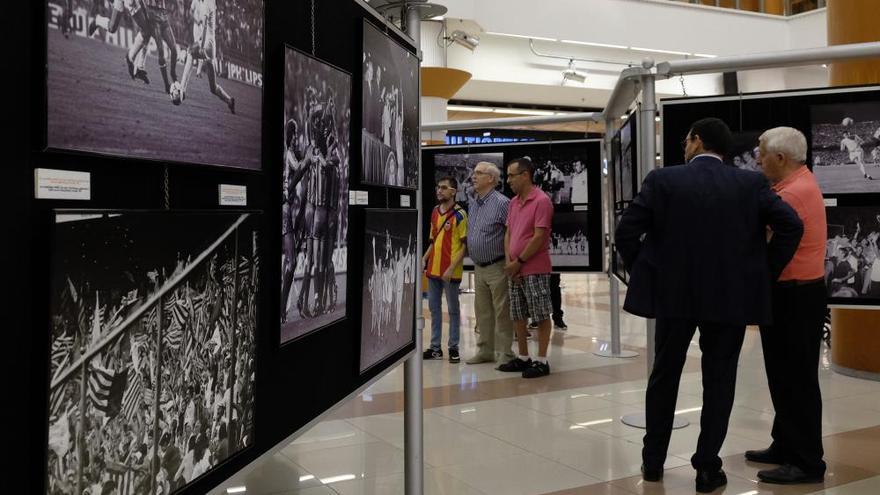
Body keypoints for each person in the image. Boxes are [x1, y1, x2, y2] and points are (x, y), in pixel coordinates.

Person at [615, 118, 803, 493]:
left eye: (686, 140)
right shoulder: (750, 183)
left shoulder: (663, 179)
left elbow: (626, 232)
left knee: (664, 375)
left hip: (674, 298)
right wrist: (763, 272)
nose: (684, 146)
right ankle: (706, 467)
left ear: (697, 141)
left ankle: (653, 462)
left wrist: (648, 271)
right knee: (719, 381)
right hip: (729, 299)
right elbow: (791, 226)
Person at [748, 127, 828, 484]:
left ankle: (807, 462)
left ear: (780, 158)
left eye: (761, 151)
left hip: (794, 296)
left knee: (796, 380)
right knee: (785, 376)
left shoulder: (792, 194)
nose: (756, 157)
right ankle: (785, 444)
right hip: (799, 293)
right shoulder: (798, 183)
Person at [499, 157, 555, 378]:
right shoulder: (513, 202)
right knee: (518, 314)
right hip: (515, 268)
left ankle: (542, 360)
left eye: (512, 175)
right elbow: (509, 233)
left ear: (525, 175)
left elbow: (539, 237)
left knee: (540, 314)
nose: (509, 180)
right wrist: (509, 262)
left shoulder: (541, 201)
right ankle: (523, 357)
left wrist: (519, 262)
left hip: (534, 268)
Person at [464, 162, 516, 366]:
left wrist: (511, 262)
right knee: (482, 311)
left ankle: (505, 353)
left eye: (479, 173)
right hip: (479, 266)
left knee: (502, 311)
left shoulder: (503, 203)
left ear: (491, 179)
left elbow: (510, 233)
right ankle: (485, 350)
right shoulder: (474, 202)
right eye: (474, 173)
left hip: (497, 265)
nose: (473, 176)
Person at [422, 176, 468, 363]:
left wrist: (450, 268)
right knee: (434, 309)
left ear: (453, 191)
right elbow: (433, 240)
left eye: (443, 187)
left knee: (453, 310)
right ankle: (435, 348)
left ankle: (454, 347)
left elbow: (464, 247)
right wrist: (424, 259)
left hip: (451, 273)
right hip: (433, 270)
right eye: (438, 187)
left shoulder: (460, 215)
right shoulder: (434, 212)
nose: (439, 190)